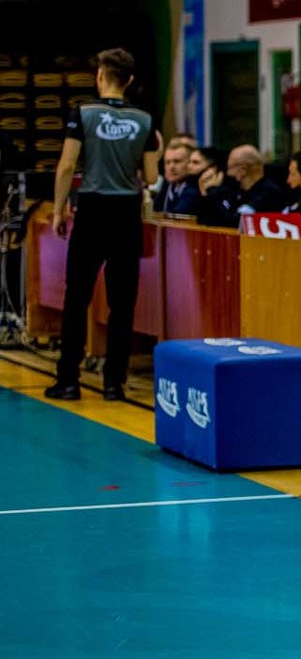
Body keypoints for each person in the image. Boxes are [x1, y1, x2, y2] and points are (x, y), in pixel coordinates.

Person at [46, 48, 160, 401]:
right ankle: (114, 383)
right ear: (130, 80)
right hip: (126, 212)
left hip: (93, 209)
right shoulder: (145, 119)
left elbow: (67, 166)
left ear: (100, 76)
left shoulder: (82, 113)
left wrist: (59, 210)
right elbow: (151, 176)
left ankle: (69, 380)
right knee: (122, 303)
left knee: (77, 297)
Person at [197, 145, 293, 227]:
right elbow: (206, 219)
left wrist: (212, 191)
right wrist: (205, 194)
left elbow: (234, 224)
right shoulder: (237, 192)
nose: (227, 173)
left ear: (242, 170)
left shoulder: (269, 194)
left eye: (230, 168)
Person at [152, 138, 199, 217]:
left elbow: (177, 215)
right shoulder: (166, 187)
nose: (171, 167)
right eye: (167, 162)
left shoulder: (194, 189)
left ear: (190, 163)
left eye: (177, 161)